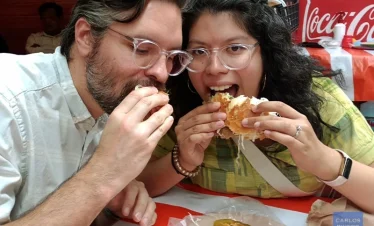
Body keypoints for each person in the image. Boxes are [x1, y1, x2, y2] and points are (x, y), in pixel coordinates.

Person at [138, 0, 374, 214]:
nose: (214, 68)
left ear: (267, 55)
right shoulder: (176, 108)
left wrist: (324, 160)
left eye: (235, 48)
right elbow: (136, 189)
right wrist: (182, 160)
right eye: (198, 52)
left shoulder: (321, 100)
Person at [0, 0, 191, 225]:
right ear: (86, 36)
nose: (162, 73)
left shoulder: (109, 100)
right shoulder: (8, 96)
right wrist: (103, 175)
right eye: (143, 48)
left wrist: (108, 206)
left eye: (171, 57)